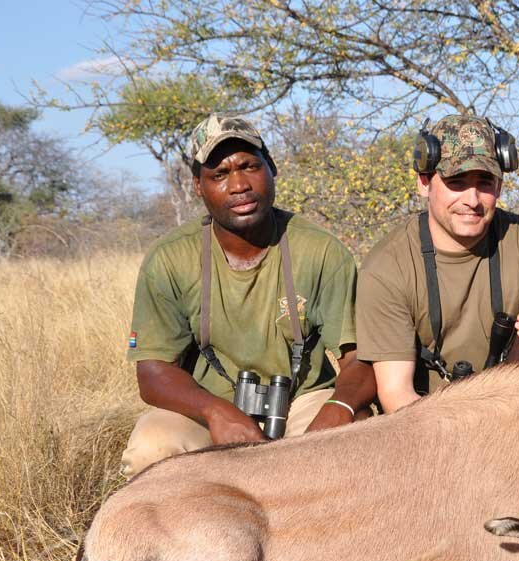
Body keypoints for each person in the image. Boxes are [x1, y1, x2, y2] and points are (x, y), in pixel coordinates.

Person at [120, 114, 376, 477]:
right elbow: (153, 372)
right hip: (211, 408)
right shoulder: (170, 258)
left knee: (355, 434)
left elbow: (359, 359)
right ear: (197, 186)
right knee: (153, 446)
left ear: (272, 168)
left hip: (302, 403)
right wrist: (216, 412)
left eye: (250, 166)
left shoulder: (321, 251)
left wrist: (338, 408)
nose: (239, 184)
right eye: (219, 174)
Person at [356, 115, 519, 411]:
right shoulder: (387, 267)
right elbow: (397, 395)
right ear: (424, 183)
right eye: (456, 182)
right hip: (428, 423)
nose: (472, 199)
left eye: (484, 182)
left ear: (499, 186)